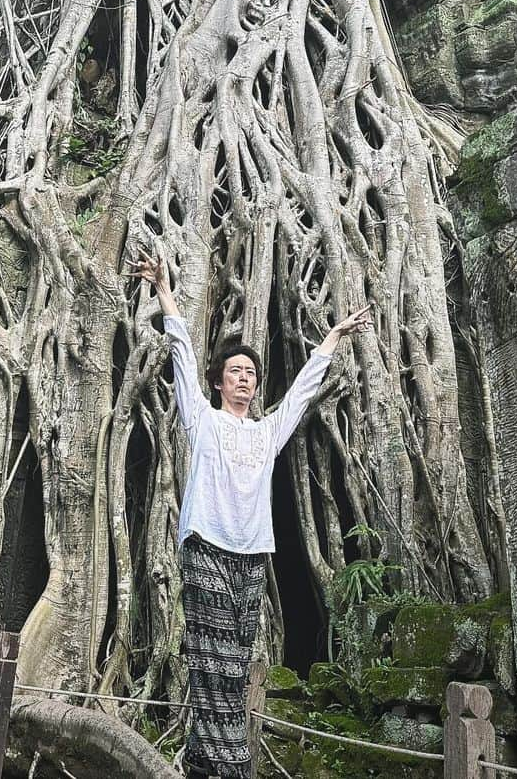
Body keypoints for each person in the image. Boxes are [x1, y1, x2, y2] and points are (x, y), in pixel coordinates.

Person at [132, 250, 371, 779]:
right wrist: (166, 292)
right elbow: (182, 357)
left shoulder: (266, 433)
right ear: (219, 382)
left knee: (235, 663)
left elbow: (303, 392)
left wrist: (333, 337)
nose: (245, 379)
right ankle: (234, 763)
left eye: (251, 374)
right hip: (206, 546)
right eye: (235, 372)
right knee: (210, 654)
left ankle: (200, 761)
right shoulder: (202, 420)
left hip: (251, 552)